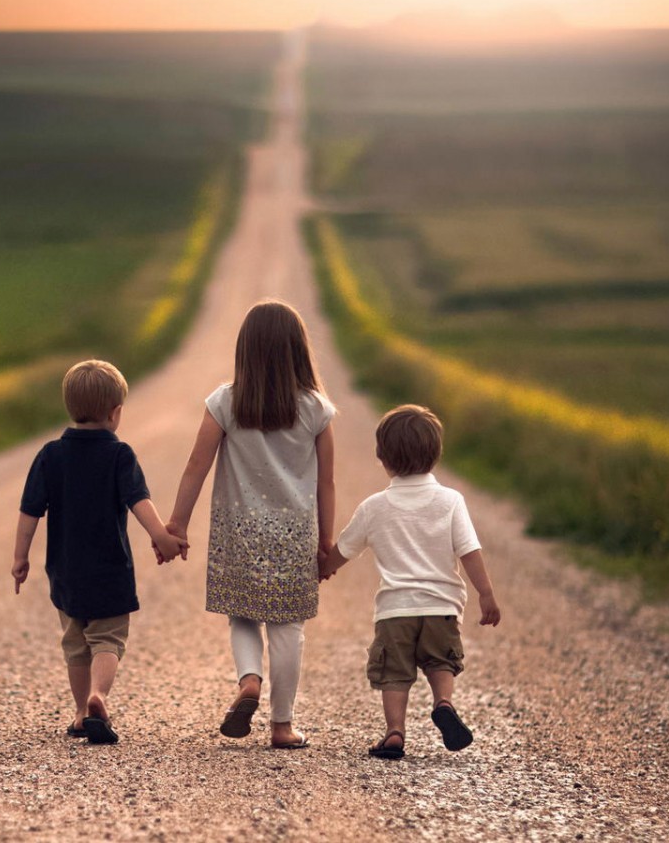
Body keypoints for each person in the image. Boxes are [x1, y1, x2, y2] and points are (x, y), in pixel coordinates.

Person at [164, 300, 336, 750]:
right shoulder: (316, 409)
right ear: (299, 350)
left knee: (241, 613)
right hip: (294, 535)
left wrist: (176, 526)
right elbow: (328, 484)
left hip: (237, 531)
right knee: (288, 627)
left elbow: (194, 468)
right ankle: (282, 726)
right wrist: (327, 542)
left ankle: (249, 681)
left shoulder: (225, 401)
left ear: (245, 350)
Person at [12, 359, 185, 745]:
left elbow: (29, 511)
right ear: (115, 413)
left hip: (65, 571)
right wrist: (163, 538)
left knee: (75, 644)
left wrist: (19, 558)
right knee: (107, 639)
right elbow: (140, 502)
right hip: (109, 571)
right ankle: (99, 695)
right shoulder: (120, 455)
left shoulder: (50, 455)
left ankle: (78, 713)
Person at [319, 404, 501, 760]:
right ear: (436, 454)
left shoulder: (374, 506)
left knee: (394, 674)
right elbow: (469, 551)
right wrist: (486, 593)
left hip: (395, 610)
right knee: (440, 662)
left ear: (382, 458)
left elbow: (345, 548)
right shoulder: (450, 501)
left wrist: (323, 568)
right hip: (441, 606)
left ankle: (394, 733)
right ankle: (444, 703)